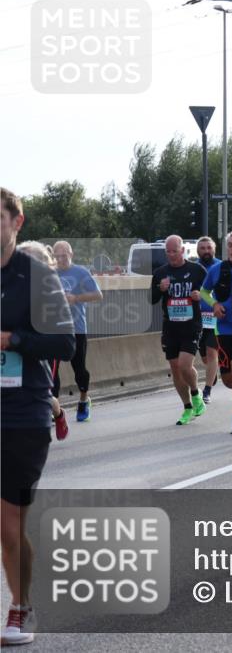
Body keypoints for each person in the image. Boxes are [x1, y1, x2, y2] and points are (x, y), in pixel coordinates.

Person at [2, 188, 76, 646]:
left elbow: (63, 344)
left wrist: (12, 340)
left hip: (21, 410)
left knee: (8, 524)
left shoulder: (37, 277)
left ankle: (19, 606)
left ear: (17, 223)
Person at [16, 242, 70, 442]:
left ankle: (58, 414)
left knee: (42, 395)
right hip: (12, 352)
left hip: (42, 351)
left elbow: (65, 342)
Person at [151, 235, 207, 425]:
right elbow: (151, 299)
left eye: (175, 251)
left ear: (183, 251)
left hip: (191, 324)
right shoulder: (160, 273)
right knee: (175, 369)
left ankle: (196, 393)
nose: (171, 255)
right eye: (168, 251)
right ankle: (187, 407)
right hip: (170, 326)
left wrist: (200, 296)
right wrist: (160, 288)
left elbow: (211, 295)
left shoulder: (197, 270)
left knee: (184, 365)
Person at [202, 231, 232, 434]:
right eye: (230, 245)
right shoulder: (216, 270)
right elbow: (204, 291)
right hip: (223, 328)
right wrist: (213, 304)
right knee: (230, 380)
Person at [52, 241, 102, 422]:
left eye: (63, 255)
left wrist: (76, 298)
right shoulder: (50, 274)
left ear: (71, 254)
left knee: (79, 369)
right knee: (52, 371)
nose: (60, 259)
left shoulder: (81, 272)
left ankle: (83, 400)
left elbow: (98, 295)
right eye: (57, 256)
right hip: (54, 329)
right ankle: (54, 407)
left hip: (76, 329)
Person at [195, 236, 221, 403]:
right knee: (205, 357)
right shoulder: (193, 268)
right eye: (203, 248)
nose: (206, 251)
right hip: (197, 319)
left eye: (209, 248)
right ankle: (213, 374)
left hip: (215, 318)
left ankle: (207, 390)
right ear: (198, 250)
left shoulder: (221, 267)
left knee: (212, 353)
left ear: (214, 249)